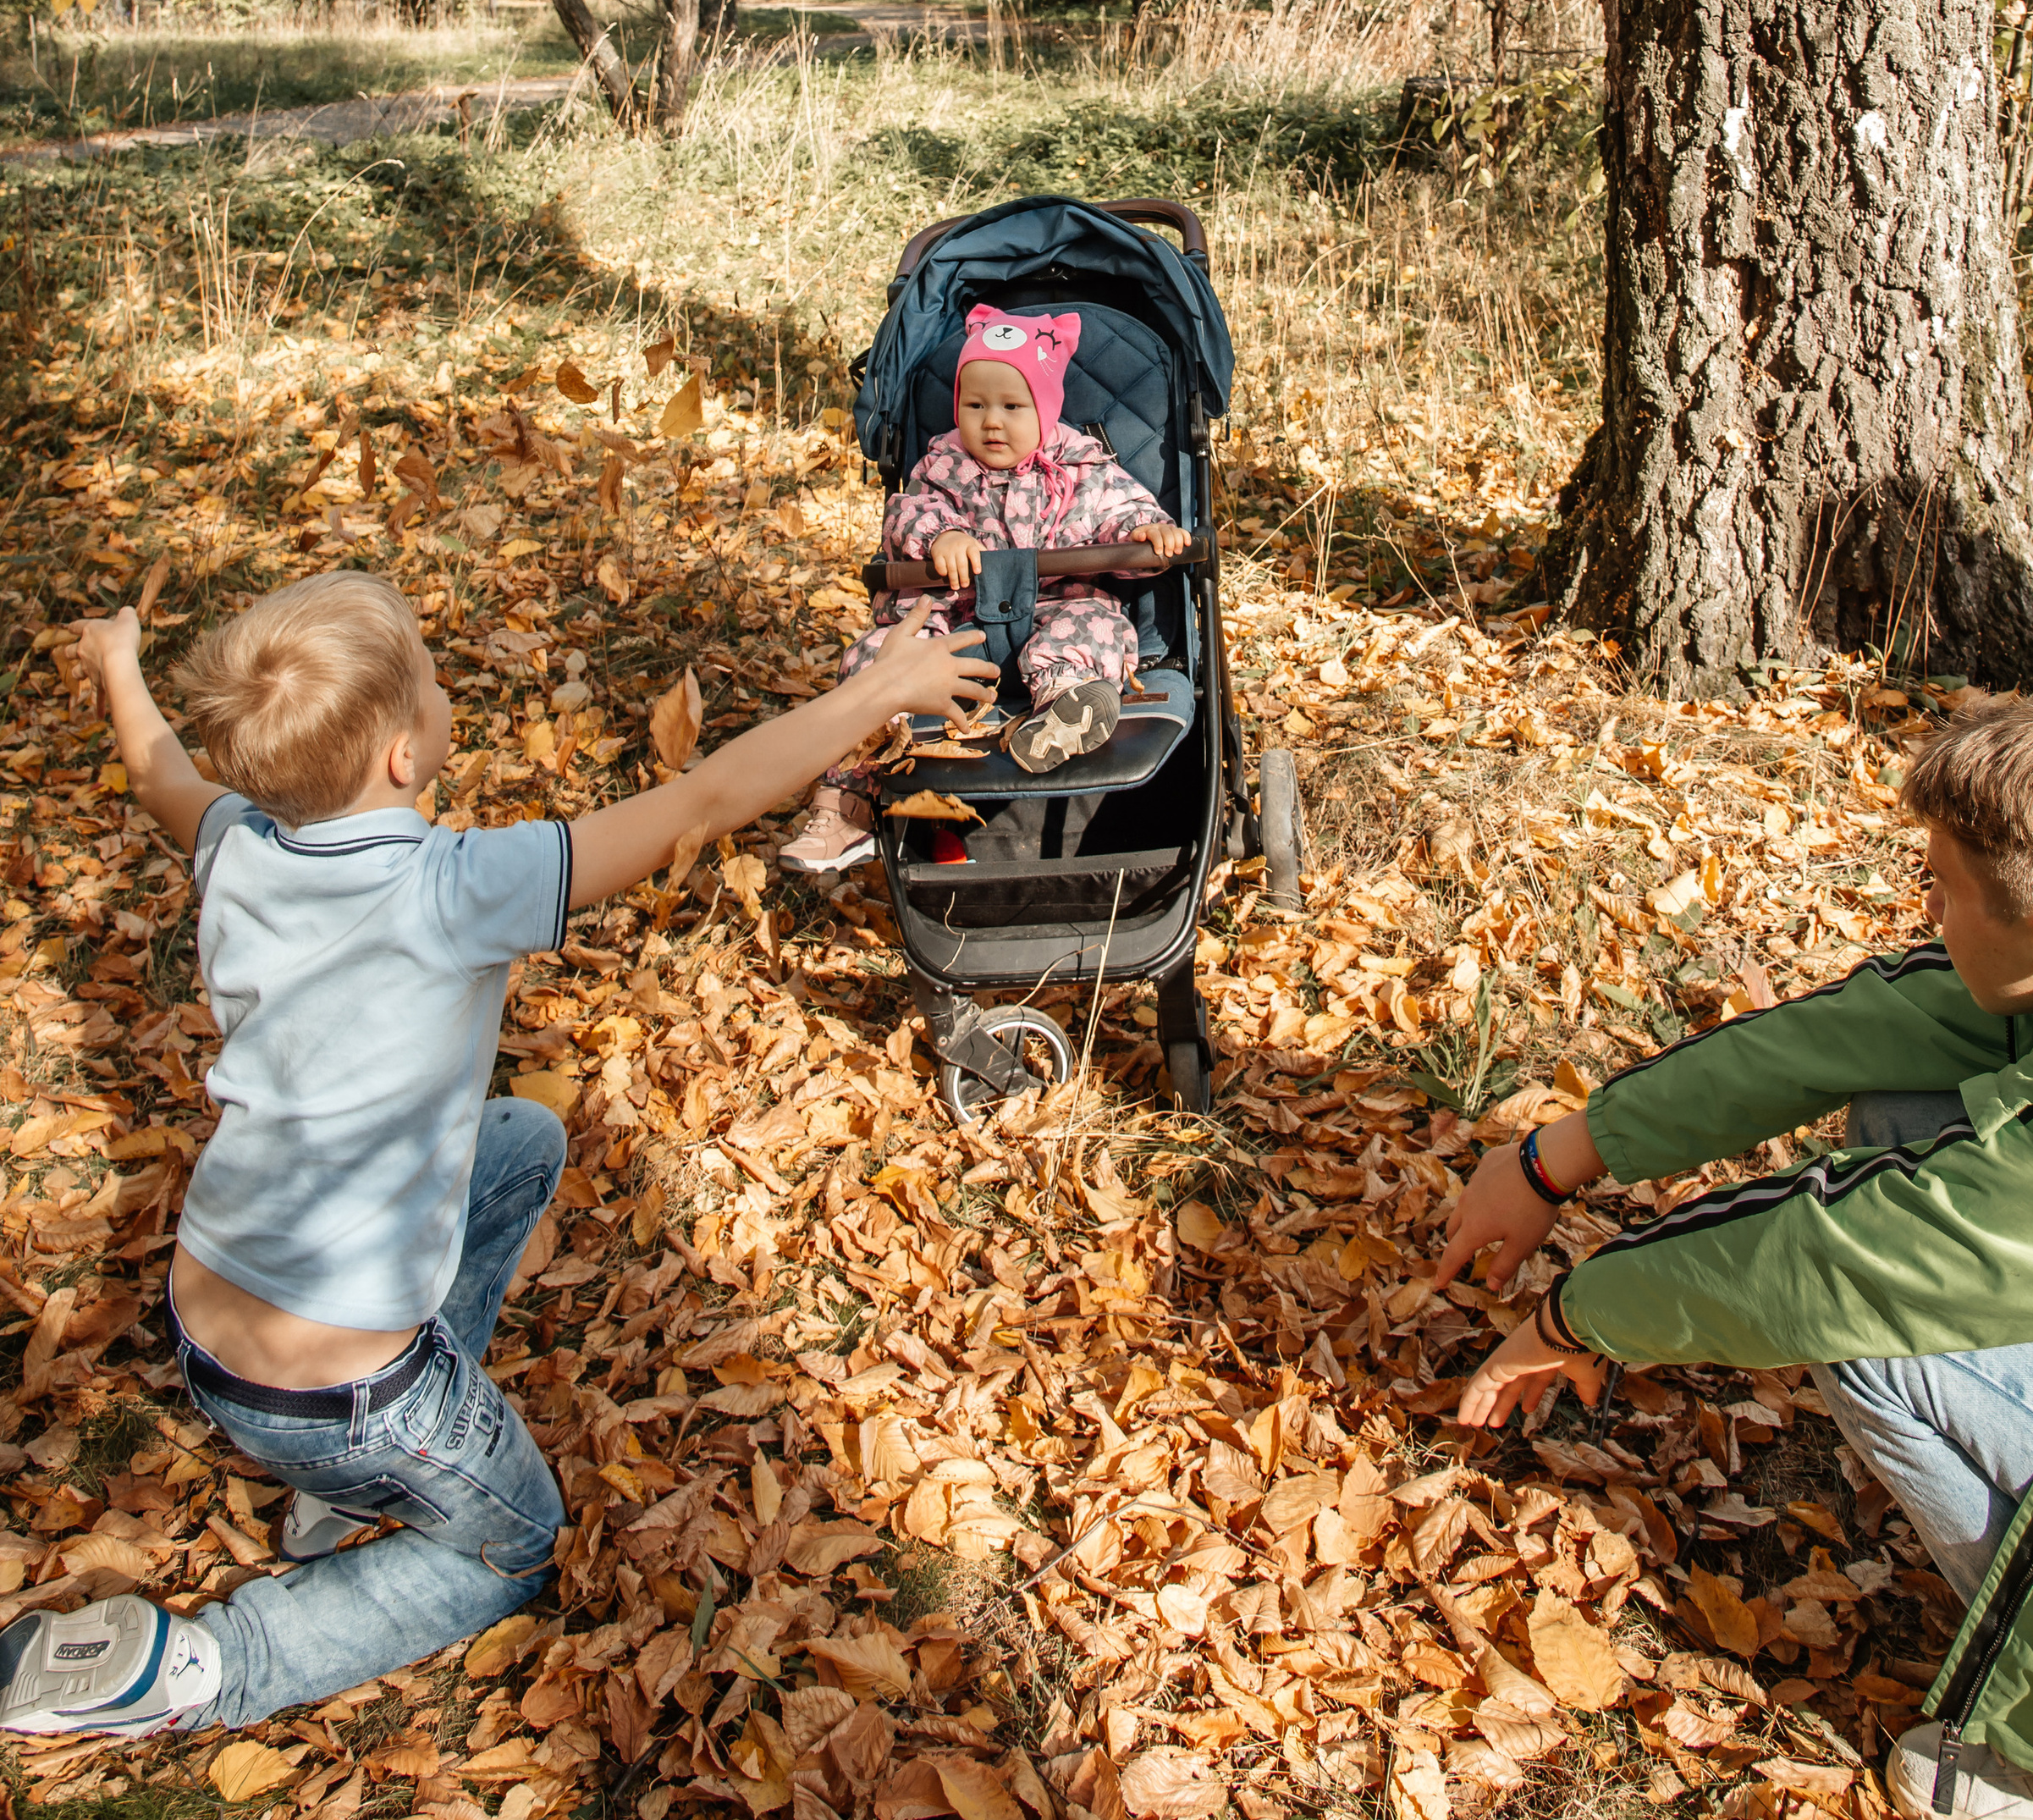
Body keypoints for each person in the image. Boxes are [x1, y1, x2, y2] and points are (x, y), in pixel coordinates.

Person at [0, 568, 991, 1740]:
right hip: (346, 1391)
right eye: (425, 670)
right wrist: (882, 691)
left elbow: (162, 763)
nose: (438, 679)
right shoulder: (449, 886)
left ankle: (348, 1486)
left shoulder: (237, 841)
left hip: (213, 1322)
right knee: (513, 1543)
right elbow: (700, 803)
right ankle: (201, 1664)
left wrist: (119, 661)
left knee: (519, 1137)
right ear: (401, 758)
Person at [1441, 685, 2033, 1820]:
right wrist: (1555, 1155)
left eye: (1941, 889)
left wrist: (1570, 1317)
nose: (1923, 913)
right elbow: (1868, 1027)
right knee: (1900, 1106)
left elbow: (1836, 1261)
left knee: (1886, 1329)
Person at [780, 303, 1186, 874]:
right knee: (876, 656)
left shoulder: (1083, 467)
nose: (991, 422)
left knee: (1095, 623)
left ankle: (1066, 707)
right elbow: (907, 513)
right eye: (975, 406)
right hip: (961, 634)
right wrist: (941, 535)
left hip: (1058, 608)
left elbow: (1123, 509)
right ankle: (844, 803)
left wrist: (1146, 532)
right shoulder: (944, 466)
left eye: (1012, 407)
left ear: (1046, 409)